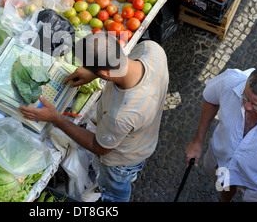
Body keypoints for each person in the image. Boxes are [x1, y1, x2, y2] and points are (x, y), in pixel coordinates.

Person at [19, 32, 169, 202]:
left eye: (90, 68)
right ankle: (131, 174)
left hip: (121, 160)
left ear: (105, 74)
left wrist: (56, 118)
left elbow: (99, 147)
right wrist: (93, 73)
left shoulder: (121, 114)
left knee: (116, 189)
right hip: (145, 139)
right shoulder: (152, 50)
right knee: (131, 169)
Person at [185, 64, 257, 202]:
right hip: (223, 162)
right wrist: (198, 141)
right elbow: (211, 99)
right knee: (224, 187)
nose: (247, 106)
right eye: (245, 97)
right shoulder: (231, 80)